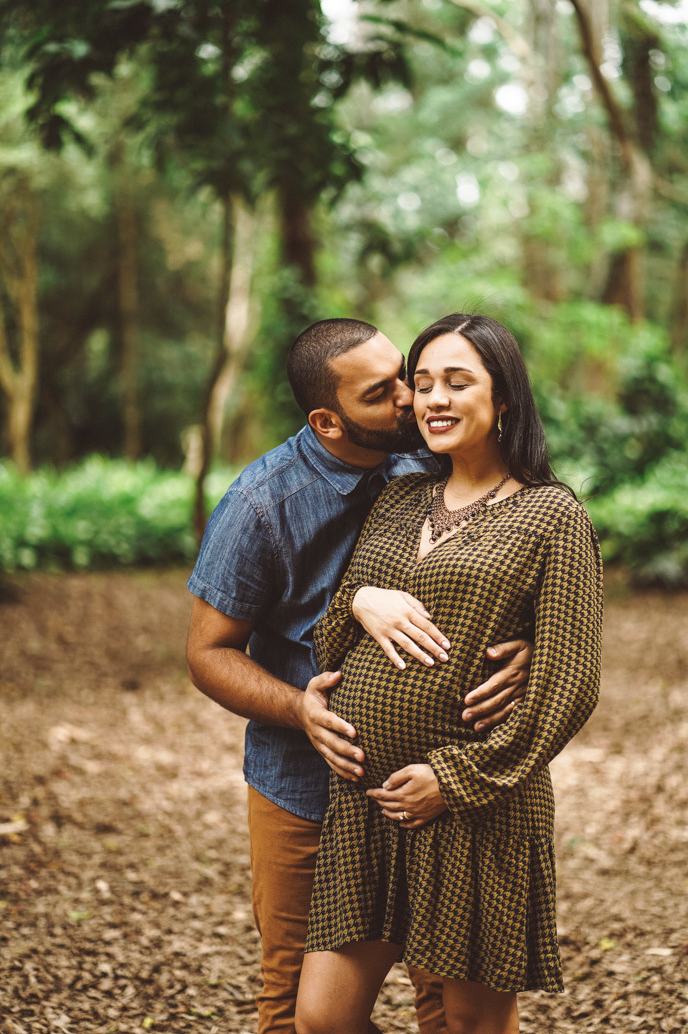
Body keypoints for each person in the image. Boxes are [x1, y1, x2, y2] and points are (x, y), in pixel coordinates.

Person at [186, 318, 534, 1034]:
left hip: (430, 780)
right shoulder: (260, 506)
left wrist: (527, 641)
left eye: (405, 375)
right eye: (384, 393)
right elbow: (207, 652)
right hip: (304, 788)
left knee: (445, 999)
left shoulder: (424, 463)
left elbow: (509, 556)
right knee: (297, 1009)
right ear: (328, 420)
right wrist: (299, 710)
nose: (413, 400)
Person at [295, 314, 603, 1034]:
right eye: (422, 382)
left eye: (457, 382)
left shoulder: (552, 515)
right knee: (320, 1018)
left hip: (477, 809)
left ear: (504, 400)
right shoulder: (399, 498)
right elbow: (330, 637)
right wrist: (362, 599)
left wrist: (455, 779)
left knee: (471, 1025)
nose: (432, 398)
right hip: (368, 805)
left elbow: (569, 684)